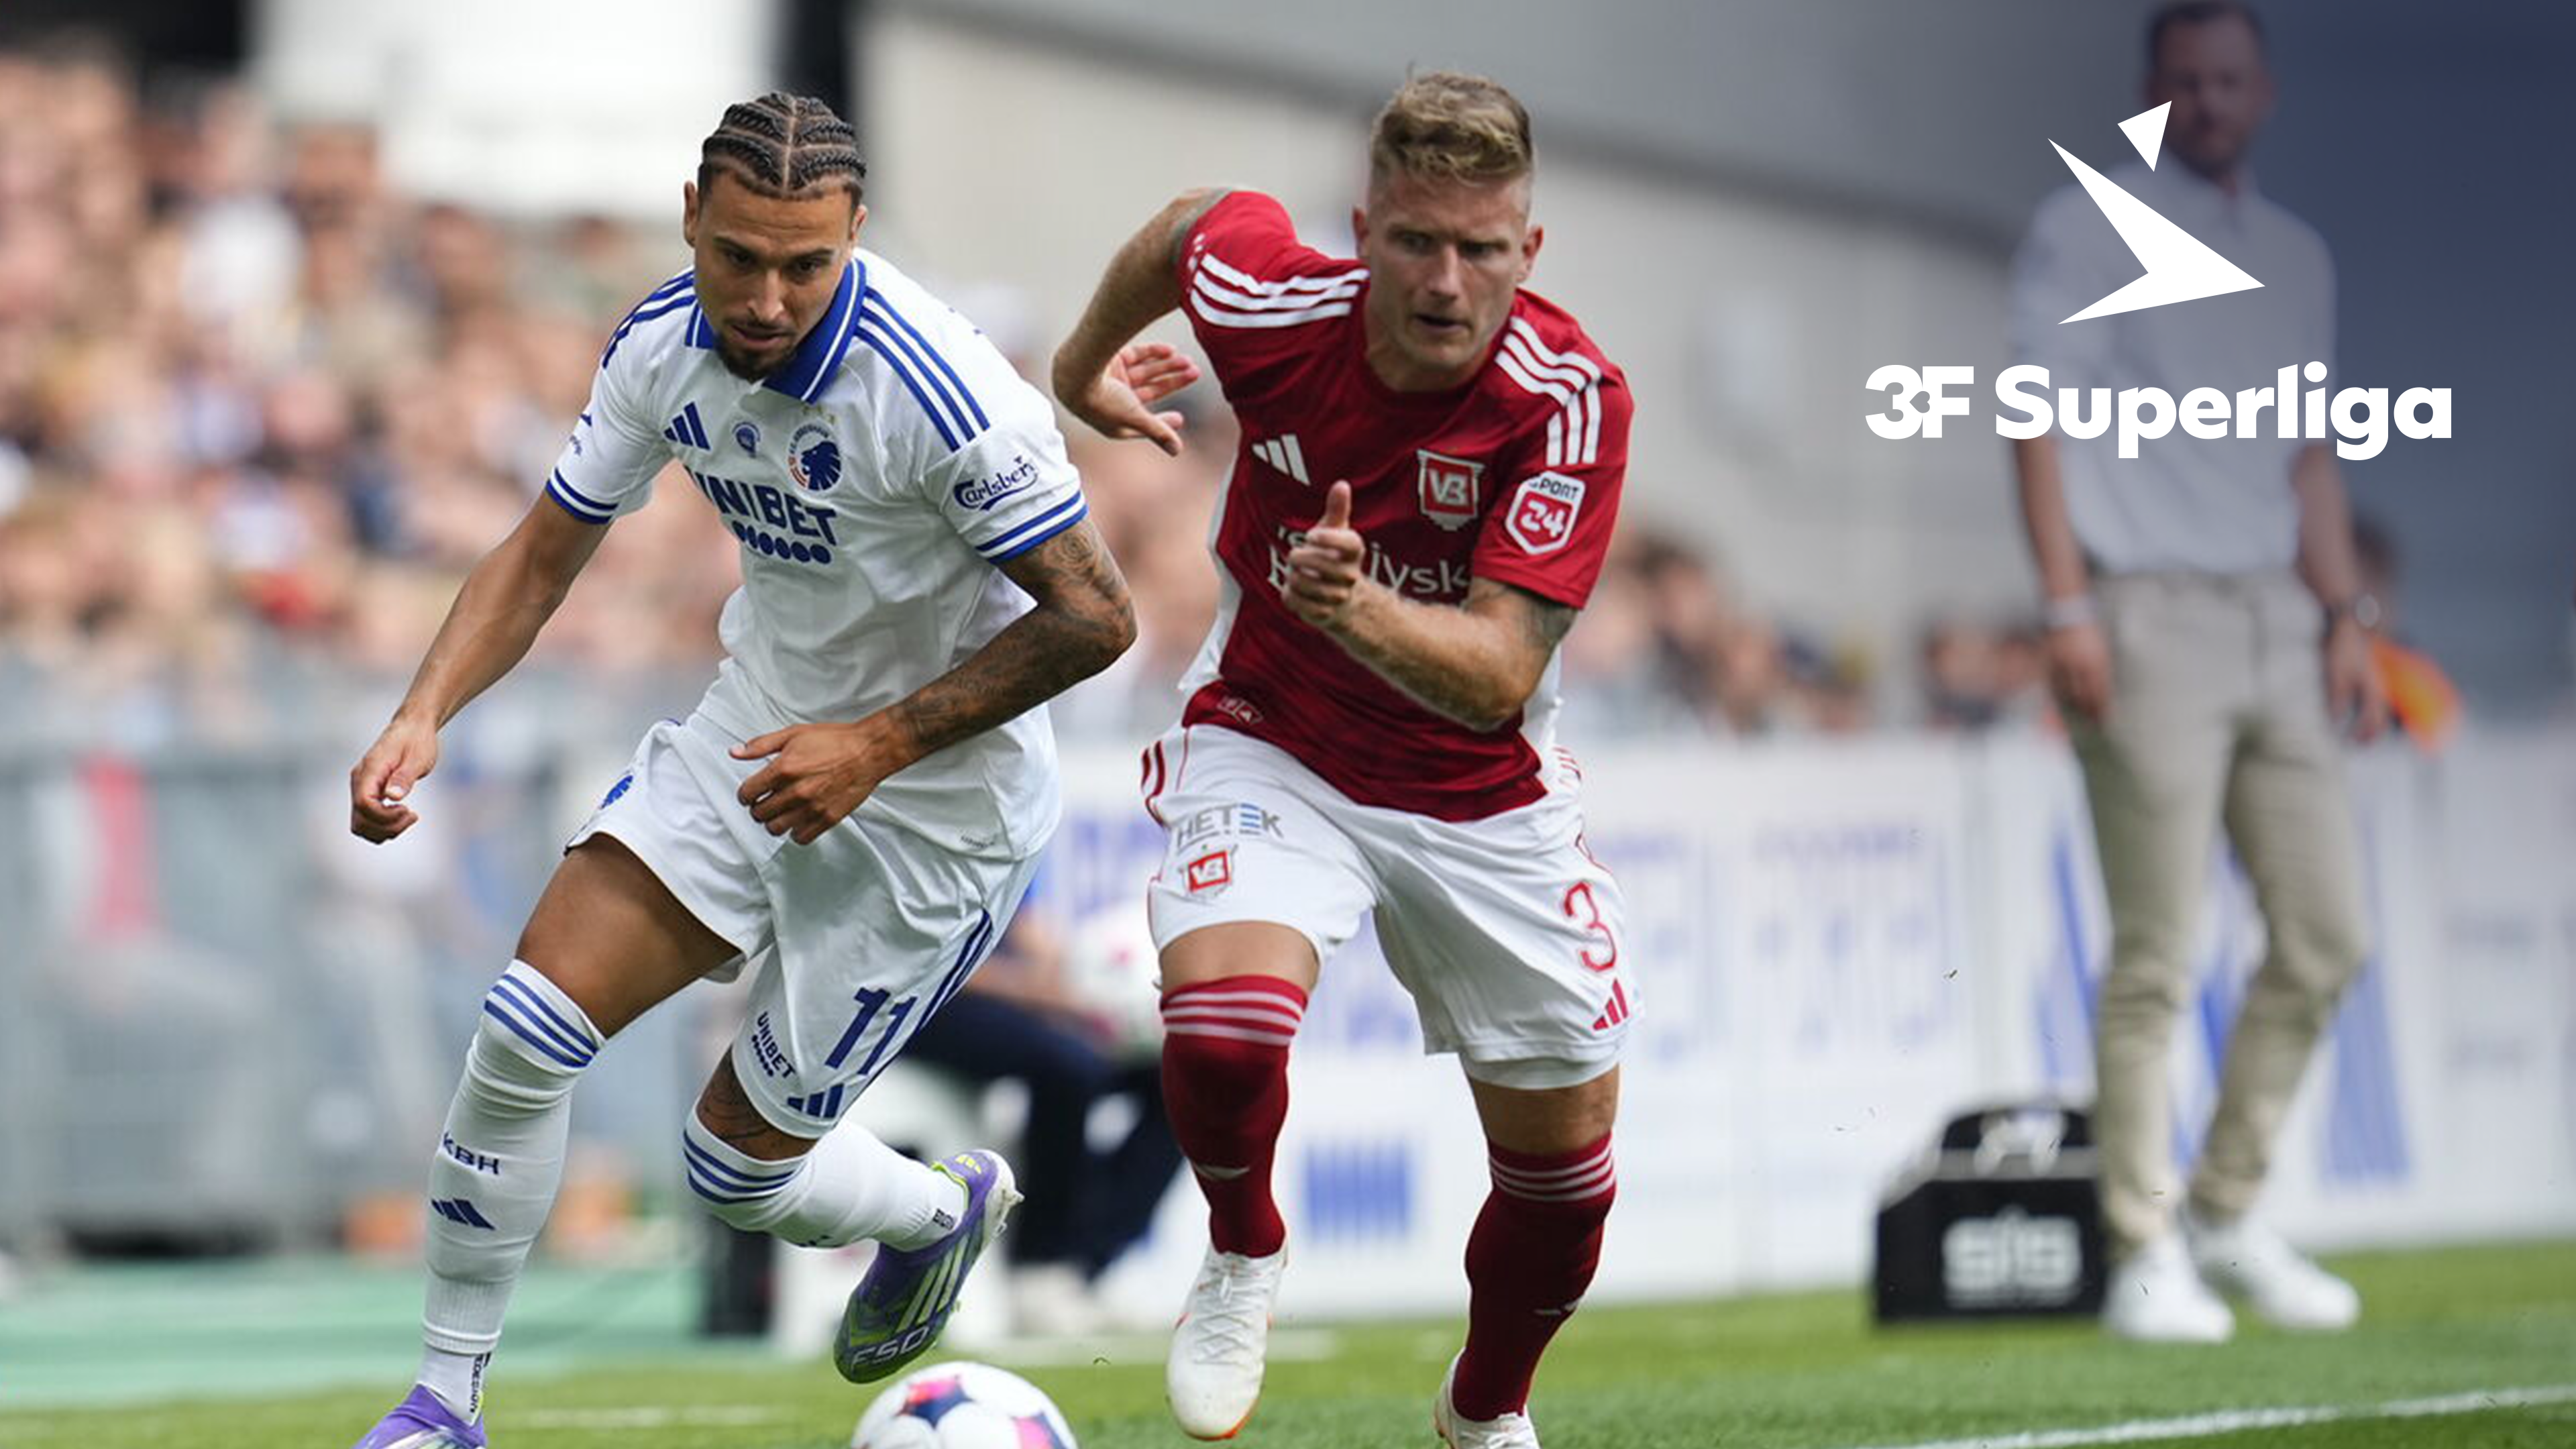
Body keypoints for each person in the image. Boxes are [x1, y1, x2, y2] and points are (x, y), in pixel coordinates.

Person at [344, 93, 1139, 1448]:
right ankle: (442, 1406)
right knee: (524, 1029)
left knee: (733, 1172)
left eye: (805, 265)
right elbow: (542, 553)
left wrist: (879, 745)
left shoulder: (944, 393)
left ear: (857, 234)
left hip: (937, 808)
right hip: (758, 730)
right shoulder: (661, 345)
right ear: (690, 222)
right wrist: (425, 712)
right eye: (738, 258)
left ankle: (935, 1213)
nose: (767, 300)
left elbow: (1098, 618)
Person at [1053, 71, 1635, 1448]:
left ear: (1528, 250)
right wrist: (1080, 370)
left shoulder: (1570, 400)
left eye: (1480, 249)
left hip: (1481, 795)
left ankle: (1484, 1410)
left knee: (1567, 1194)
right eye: (1416, 242)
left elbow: (1500, 672)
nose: (1446, 281)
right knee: (1223, 1031)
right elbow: (1191, 225)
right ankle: (1242, 1248)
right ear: (1364, 233)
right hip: (1278, 737)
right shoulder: (1277, 307)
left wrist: (1355, 604)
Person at [2009, 3, 2388, 1344]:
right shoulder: (2084, 228)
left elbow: (2309, 454)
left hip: (2278, 613)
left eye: (2230, 79)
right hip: (2143, 612)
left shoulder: (2297, 255)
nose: (2211, 101)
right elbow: (2034, 422)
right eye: (2187, 81)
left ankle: (2224, 1208)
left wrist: (2347, 615)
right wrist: (2067, 605)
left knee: (2329, 934)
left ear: (2264, 91)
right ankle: (2141, 1247)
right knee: (2158, 957)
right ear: (2152, 92)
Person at [897, 898, 1187, 1336]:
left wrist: (1073, 980)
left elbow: (1020, 918)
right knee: (1069, 1068)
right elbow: (910, 958)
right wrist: (1037, 991)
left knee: (1173, 1080)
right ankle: (1039, 1266)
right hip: (920, 1005)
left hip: (1003, 994)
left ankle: (1084, 1267)